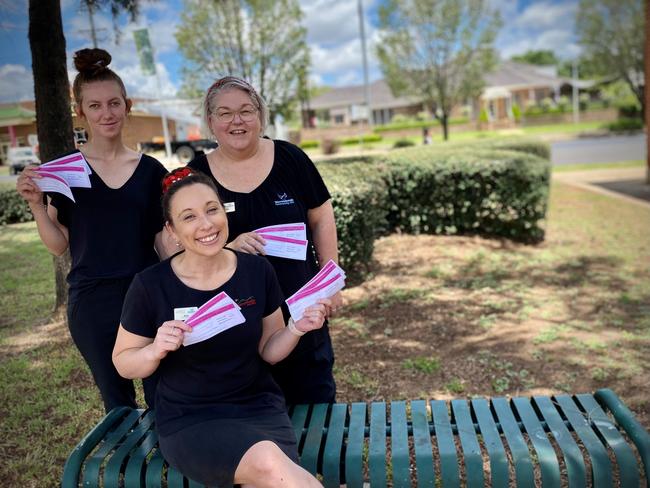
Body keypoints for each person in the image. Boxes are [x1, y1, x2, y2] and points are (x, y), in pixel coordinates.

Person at [113, 169, 328, 487]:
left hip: (258, 408)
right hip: (190, 419)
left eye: (212, 209)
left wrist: (296, 328)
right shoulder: (150, 285)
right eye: (189, 217)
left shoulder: (257, 270)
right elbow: (123, 362)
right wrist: (154, 349)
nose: (206, 224)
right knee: (270, 466)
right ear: (171, 230)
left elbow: (269, 352)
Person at [15, 48, 171, 412]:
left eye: (114, 103)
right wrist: (37, 206)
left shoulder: (151, 171)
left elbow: (163, 242)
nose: (107, 113)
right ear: (80, 111)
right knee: (117, 403)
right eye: (96, 105)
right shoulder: (63, 170)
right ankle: (127, 467)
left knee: (164, 392)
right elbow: (58, 246)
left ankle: (170, 464)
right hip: (92, 302)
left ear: (127, 105)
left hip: (148, 295)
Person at [187, 76, 342, 405]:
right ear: (211, 122)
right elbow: (182, 243)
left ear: (260, 115)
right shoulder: (196, 175)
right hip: (237, 321)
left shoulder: (290, 158)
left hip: (300, 306)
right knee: (254, 416)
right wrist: (227, 247)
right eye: (225, 113)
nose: (237, 121)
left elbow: (322, 218)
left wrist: (332, 282)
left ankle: (317, 458)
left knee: (315, 405)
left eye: (246, 110)